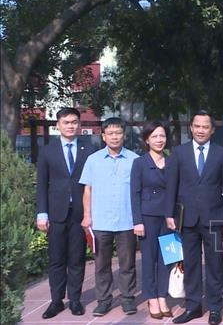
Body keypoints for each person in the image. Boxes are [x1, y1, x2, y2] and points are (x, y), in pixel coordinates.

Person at [166, 110, 223, 325]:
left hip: (214, 217)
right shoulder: (179, 153)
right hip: (187, 218)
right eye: (197, 126)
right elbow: (171, 185)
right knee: (190, 264)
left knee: (215, 264)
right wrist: (169, 214)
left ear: (212, 130)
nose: (201, 130)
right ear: (191, 128)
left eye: (205, 127)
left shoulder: (221, 153)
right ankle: (193, 307)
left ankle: (215, 308)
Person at [36, 107, 93, 318]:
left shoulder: (89, 148)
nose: (71, 126)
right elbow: (42, 184)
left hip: (79, 212)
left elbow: (93, 183)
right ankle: (56, 301)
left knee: (77, 258)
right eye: (66, 122)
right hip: (56, 213)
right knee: (57, 259)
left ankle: (75, 300)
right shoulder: (47, 150)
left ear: (79, 124)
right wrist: (42, 213)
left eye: (74, 122)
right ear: (58, 125)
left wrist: (91, 212)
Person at [80, 117, 140, 317]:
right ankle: (104, 300)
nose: (115, 136)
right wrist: (87, 216)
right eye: (110, 133)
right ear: (103, 136)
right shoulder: (93, 160)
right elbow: (87, 189)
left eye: (118, 133)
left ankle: (127, 299)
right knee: (102, 264)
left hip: (127, 220)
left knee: (127, 263)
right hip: (101, 221)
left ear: (124, 135)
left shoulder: (134, 160)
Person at [130, 121, 177, 319]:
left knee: (168, 258)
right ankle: (151, 297)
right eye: (155, 136)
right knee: (149, 259)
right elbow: (134, 193)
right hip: (148, 217)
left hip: (169, 218)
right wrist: (137, 221)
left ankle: (162, 295)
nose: (159, 140)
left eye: (162, 136)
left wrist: (174, 216)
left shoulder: (173, 161)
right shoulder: (140, 163)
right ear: (147, 140)